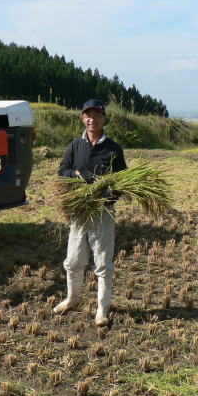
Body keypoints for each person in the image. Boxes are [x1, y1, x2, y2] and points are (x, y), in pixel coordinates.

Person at [55, 99, 127, 326]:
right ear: (82, 118)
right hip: (79, 211)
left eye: (96, 115)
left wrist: (109, 193)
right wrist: (77, 174)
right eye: (88, 115)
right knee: (74, 259)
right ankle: (72, 299)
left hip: (103, 211)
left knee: (103, 262)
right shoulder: (75, 146)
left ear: (104, 118)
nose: (92, 119)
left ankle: (102, 310)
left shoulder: (113, 149)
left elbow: (123, 182)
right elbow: (62, 171)